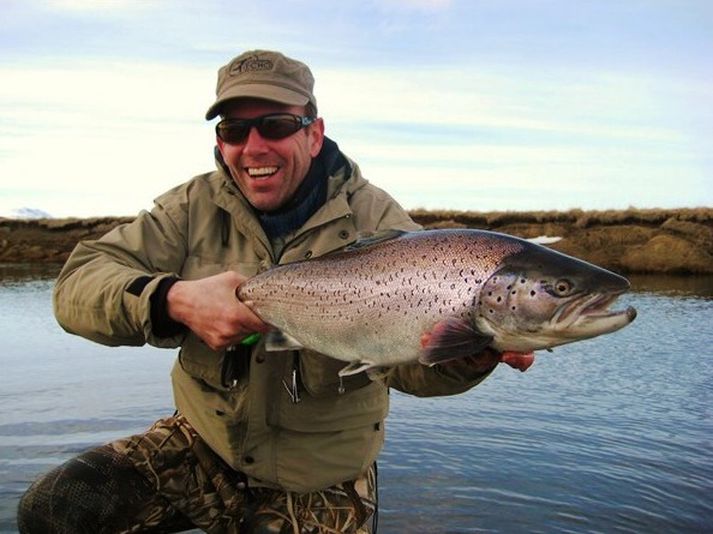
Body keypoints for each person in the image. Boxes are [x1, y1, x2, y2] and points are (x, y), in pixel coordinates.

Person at [17, 49, 533, 533]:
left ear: (314, 134)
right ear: (220, 142)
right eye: (235, 130)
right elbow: (76, 286)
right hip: (204, 446)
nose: (254, 146)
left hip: (321, 478)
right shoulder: (189, 207)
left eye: (276, 125)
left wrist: (469, 353)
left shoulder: (381, 224)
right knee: (54, 509)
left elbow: (410, 371)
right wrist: (173, 300)